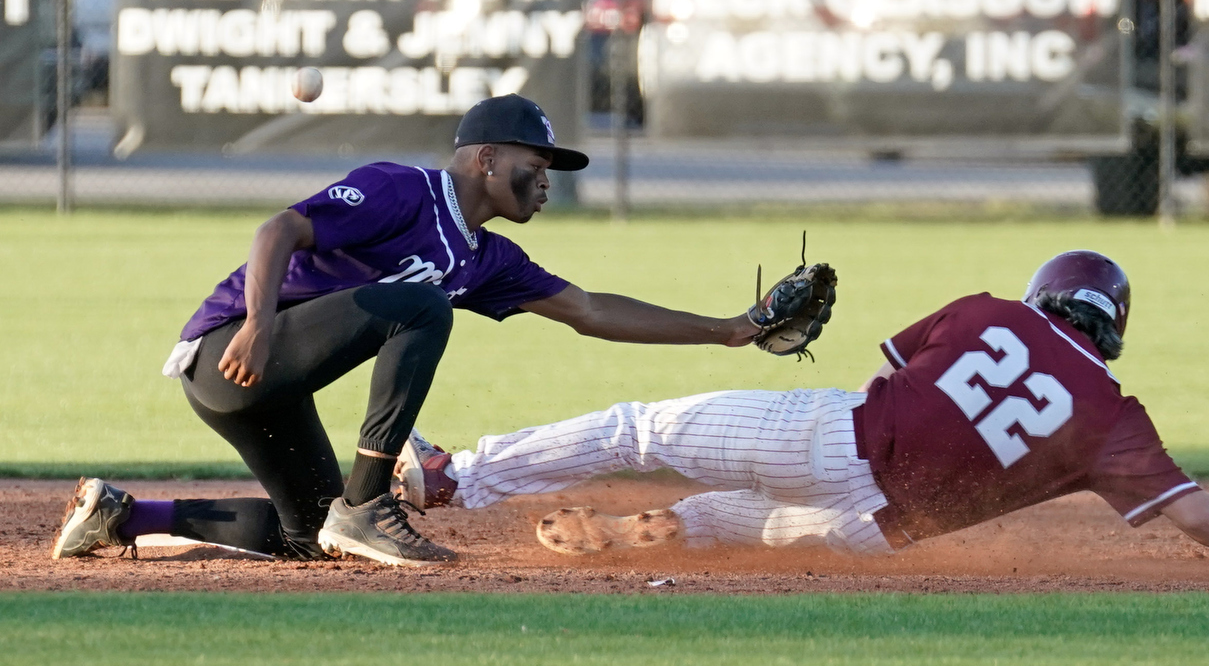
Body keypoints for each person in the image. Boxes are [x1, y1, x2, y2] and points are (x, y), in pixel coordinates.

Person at [51, 94, 760, 567]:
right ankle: (368, 502)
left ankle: (125, 514)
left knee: (309, 538)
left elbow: (592, 311)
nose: (545, 183)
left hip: (271, 381)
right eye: (534, 166)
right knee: (423, 306)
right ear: (484, 158)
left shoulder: (486, 257)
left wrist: (730, 330)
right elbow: (279, 229)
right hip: (230, 350)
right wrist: (258, 326)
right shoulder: (404, 189)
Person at [394, 250, 1209, 565]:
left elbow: (898, 367)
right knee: (746, 520)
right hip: (880, 528)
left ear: (1044, 296)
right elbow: (1190, 510)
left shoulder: (991, 311)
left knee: (640, 429)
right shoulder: (1111, 415)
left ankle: (452, 478)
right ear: (1110, 328)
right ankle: (649, 535)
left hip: (839, 438)